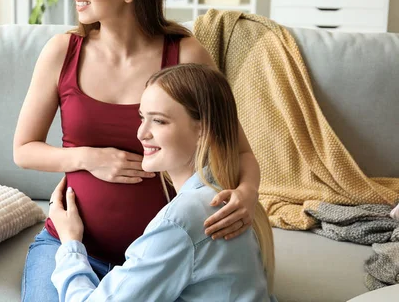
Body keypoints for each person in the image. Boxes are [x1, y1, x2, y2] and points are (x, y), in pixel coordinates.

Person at [13, 0, 262, 302]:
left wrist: (245, 195)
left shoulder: (184, 54)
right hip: (68, 242)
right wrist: (89, 158)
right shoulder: (62, 52)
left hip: (160, 258)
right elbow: (23, 149)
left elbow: (235, 147)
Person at [49, 63, 276, 301]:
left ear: (203, 130)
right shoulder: (227, 195)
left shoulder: (184, 219)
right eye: (142, 118)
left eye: (159, 121)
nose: (141, 133)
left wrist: (70, 244)